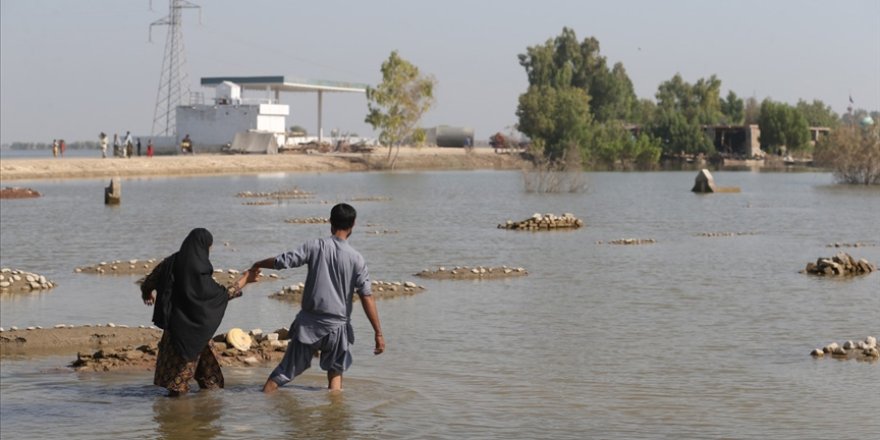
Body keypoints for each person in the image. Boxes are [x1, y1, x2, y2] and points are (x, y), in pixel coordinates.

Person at [249, 203, 384, 393]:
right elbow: (366, 296)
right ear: (353, 225)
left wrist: (258, 263)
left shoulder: (315, 246)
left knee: (284, 372)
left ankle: (262, 404)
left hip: (309, 326)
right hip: (337, 329)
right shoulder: (357, 259)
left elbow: (284, 261)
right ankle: (334, 419)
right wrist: (378, 333)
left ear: (330, 222)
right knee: (335, 376)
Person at [141, 228, 258, 396]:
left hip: (175, 333)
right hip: (196, 335)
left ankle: (195, 415)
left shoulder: (170, 263)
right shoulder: (200, 272)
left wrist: (147, 294)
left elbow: (148, 283)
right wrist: (245, 280)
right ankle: (190, 418)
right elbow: (220, 296)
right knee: (184, 389)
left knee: (189, 384)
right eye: (209, 248)